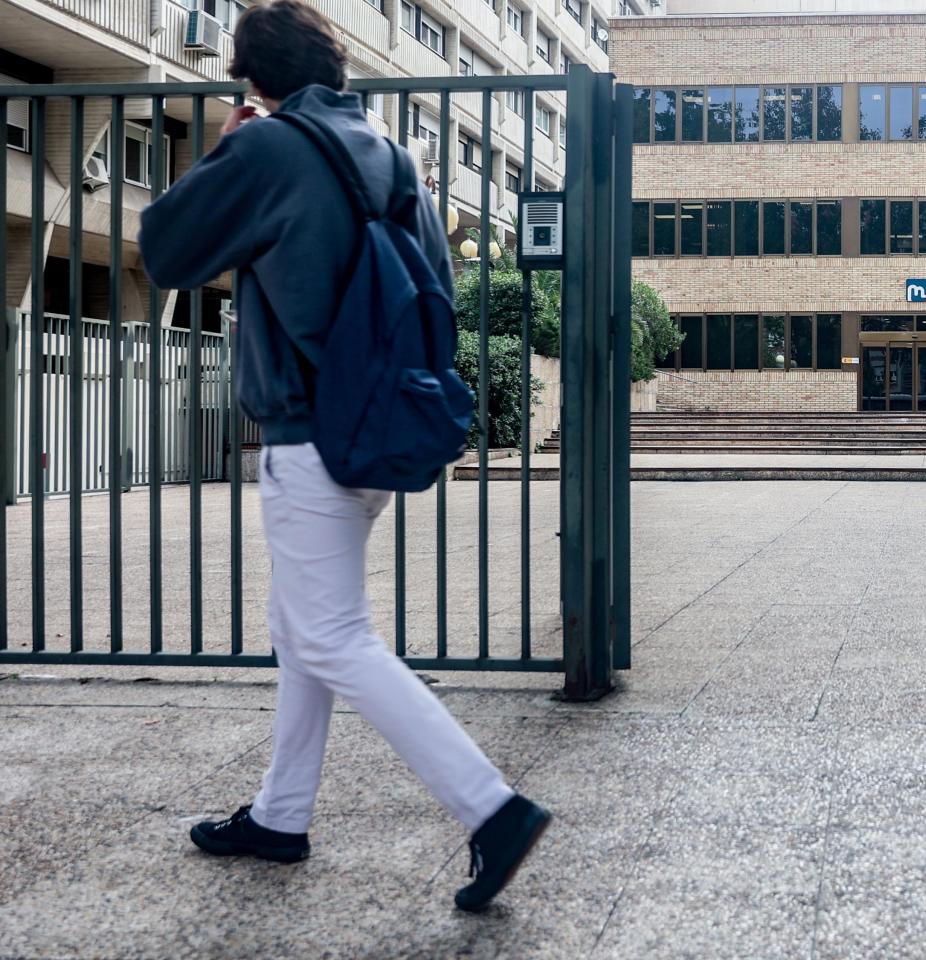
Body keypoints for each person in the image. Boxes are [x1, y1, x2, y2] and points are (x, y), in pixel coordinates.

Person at [138, 0, 549, 913]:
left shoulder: (266, 147)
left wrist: (228, 144)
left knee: (331, 635)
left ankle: (492, 808)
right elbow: (434, 290)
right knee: (302, 633)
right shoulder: (393, 155)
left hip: (304, 432)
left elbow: (164, 249)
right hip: (377, 425)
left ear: (253, 76)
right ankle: (280, 816)